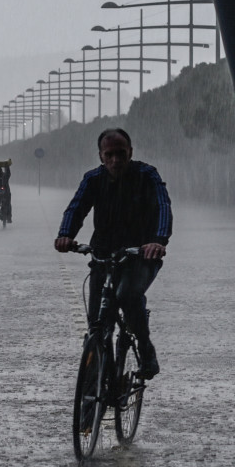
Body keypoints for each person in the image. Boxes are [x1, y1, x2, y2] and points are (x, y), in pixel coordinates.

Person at [53, 128, 172, 379]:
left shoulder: (147, 175)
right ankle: (94, 391)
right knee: (97, 321)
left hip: (140, 255)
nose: (116, 160)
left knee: (127, 294)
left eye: (121, 153)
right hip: (102, 256)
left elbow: (163, 206)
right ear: (100, 156)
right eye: (109, 155)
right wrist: (66, 234)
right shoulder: (92, 179)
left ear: (131, 152)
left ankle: (145, 347)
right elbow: (76, 208)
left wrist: (157, 241)